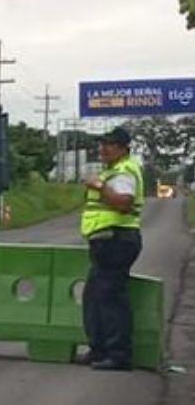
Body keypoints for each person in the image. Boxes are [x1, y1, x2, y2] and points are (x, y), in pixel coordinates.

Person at [79, 127, 144, 371]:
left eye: (110, 144)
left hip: (117, 240)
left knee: (111, 298)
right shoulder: (112, 171)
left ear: (123, 148)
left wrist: (98, 186)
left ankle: (118, 355)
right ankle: (99, 349)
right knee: (95, 297)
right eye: (102, 144)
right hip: (106, 241)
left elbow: (123, 203)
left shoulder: (124, 170)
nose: (103, 149)